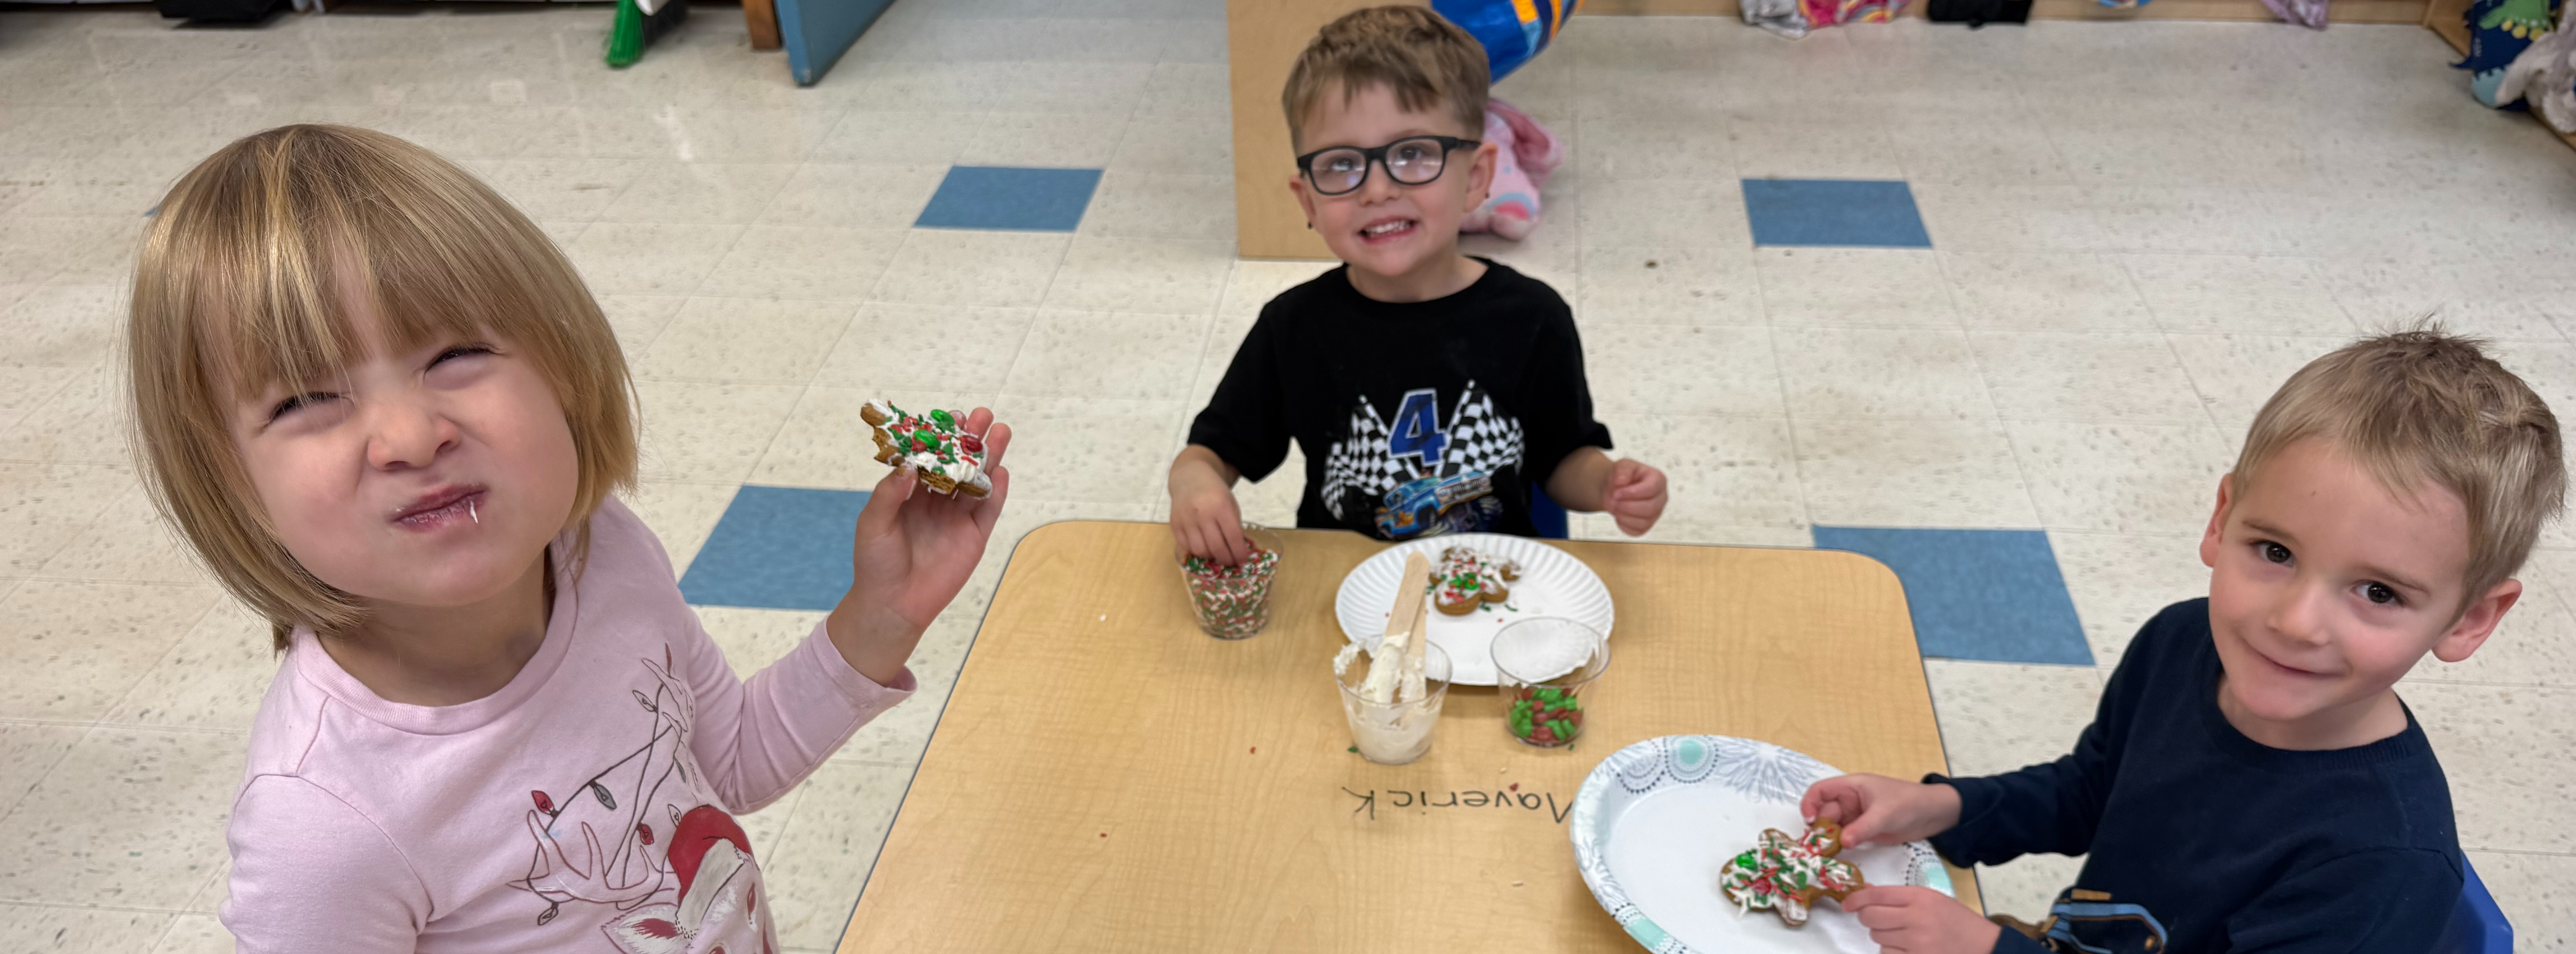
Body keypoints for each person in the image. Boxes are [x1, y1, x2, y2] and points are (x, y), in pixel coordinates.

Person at [125, 124, 1010, 953]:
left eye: (453, 353)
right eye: (304, 401)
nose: (409, 434)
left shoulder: (603, 551)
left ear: (564, 370)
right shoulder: (321, 823)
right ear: (231, 487)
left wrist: (882, 613)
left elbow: (725, 763)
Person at [1799, 329, 2564, 954]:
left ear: (2468, 619)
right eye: (2274, 552)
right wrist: (1940, 806)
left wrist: (1991, 953)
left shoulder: (2378, 865)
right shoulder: (2179, 643)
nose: (2294, 622)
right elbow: (2089, 792)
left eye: (2378, 593)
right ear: (2221, 518)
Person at [1168, 5, 1667, 564]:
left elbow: (1562, 458)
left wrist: (1607, 484)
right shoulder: (1294, 326)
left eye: (1412, 154)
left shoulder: (1532, 316)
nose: (1377, 189)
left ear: (1476, 178)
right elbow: (1213, 451)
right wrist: (1194, 481)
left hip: (1497, 588)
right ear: (1307, 200)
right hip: (1343, 589)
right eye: (1340, 165)